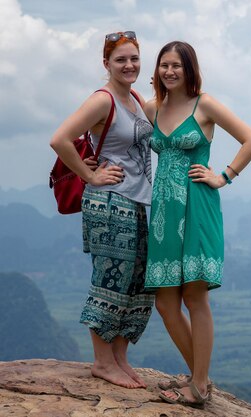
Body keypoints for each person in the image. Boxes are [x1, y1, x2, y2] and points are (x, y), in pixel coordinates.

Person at [143, 41, 251, 408]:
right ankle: (200, 378)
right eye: (164, 65)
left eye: (177, 65)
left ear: (190, 69)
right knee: (165, 303)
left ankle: (197, 386)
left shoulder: (204, 105)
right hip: (164, 212)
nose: (170, 71)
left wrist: (224, 176)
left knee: (195, 297)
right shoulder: (153, 108)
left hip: (197, 206)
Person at [49, 31, 154, 389]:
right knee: (111, 281)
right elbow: (59, 138)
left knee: (138, 285)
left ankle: (119, 357)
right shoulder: (103, 100)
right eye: (121, 59)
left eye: (134, 59)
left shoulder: (136, 99)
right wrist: (90, 175)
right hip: (110, 203)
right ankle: (101, 362)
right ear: (106, 64)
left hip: (139, 202)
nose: (129, 65)